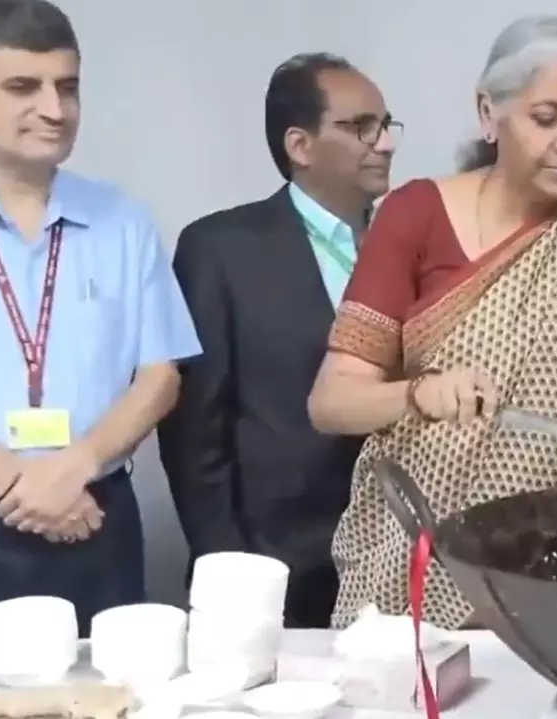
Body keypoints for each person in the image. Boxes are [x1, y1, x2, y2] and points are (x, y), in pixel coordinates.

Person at [306, 15, 557, 630]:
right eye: (546, 117)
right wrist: (419, 395)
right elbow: (332, 402)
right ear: (487, 113)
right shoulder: (413, 215)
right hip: (416, 554)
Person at [0, 0, 200, 660]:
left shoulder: (123, 221)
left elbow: (160, 375)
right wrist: (25, 479)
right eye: (24, 86)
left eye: (67, 86)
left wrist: (71, 469)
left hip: (93, 515)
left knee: (111, 695)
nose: (54, 108)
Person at [158, 53, 398, 628]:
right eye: (361, 126)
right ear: (300, 144)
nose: (385, 142)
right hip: (277, 563)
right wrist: (227, 564)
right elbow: (194, 431)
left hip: (397, 554)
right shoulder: (222, 248)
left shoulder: (407, 242)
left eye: (387, 125)